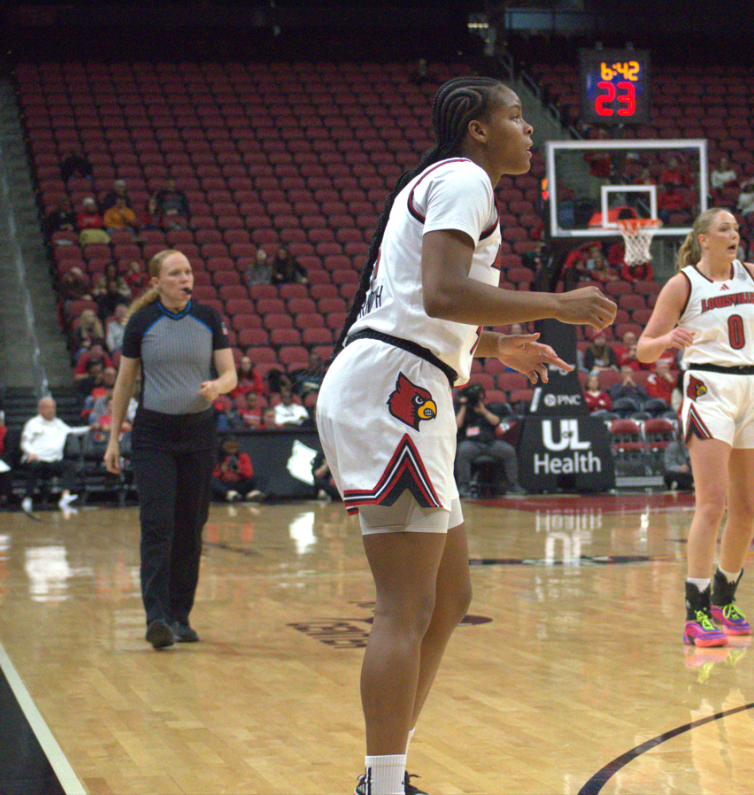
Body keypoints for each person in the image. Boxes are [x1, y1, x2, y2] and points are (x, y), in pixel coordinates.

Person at [311, 77, 615, 795]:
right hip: (395, 389)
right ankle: (382, 785)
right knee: (405, 604)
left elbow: (429, 305)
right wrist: (555, 306)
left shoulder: (450, 183)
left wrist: (493, 347)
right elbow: (442, 291)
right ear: (477, 129)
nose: (528, 128)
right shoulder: (462, 177)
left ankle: (383, 769)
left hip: (413, 381)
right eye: (514, 115)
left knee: (448, 598)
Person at [637, 207, 754, 649]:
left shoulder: (753, 274)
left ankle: (725, 599)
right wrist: (666, 340)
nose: (735, 234)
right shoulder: (683, 284)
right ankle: (695, 610)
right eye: (725, 228)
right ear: (704, 239)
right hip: (709, 388)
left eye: (736, 228)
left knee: (747, 508)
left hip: (753, 389)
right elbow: (643, 349)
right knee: (712, 503)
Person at [103, 249, 237, 651]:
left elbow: (230, 373)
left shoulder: (209, 318)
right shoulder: (141, 322)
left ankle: (181, 616)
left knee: (190, 528)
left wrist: (218, 386)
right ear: (156, 281)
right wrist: (113, 438)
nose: (185, 278)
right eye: (175, 273)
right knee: (157, 523)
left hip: (198, 435)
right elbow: (124, 384)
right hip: (153, 436)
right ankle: (156, 616)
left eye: (188, 272)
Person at [453, 383, 524, 497]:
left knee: (509, 450)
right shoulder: (463, 410)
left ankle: (513, 485)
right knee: (463, 451)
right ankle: (463, 486)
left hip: (490, 444)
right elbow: (457, 425)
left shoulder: (490, 408)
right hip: (471, 444)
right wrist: (464, 406)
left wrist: (483, 410)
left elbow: (496, 421)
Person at [19, 396, 88, 513]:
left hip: (53, 462)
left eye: (53, 407)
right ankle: (28, 498)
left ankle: (65, 497)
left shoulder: (59, 423)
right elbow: (25, 442)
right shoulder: (32, 423)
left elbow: (73, 431)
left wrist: (90, 428)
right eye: (47, 407)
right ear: (40, 409)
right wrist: (31, 453)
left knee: (70, 465)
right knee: (33, 465)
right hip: (37, 460)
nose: (50, 410)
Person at [211, 435, 264, 502]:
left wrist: (239, 471)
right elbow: (213, 477)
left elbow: (249, 475)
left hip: (239, 483)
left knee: (261, 478)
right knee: (211, 480)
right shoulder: (217, 458)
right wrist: (221, 472)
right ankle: (229, 494)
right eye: (229, 447)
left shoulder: (243, 456)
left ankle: (254, 494)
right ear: (223, 446)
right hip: (224, 485)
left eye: (234, 447)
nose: (232, 450)